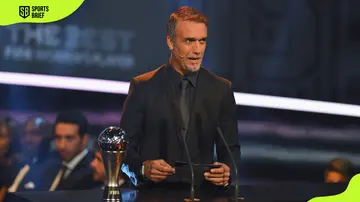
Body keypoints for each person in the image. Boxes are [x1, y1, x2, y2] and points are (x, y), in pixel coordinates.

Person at [120, 6, 241, 189]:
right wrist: (143, 168)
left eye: (202, 41)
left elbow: (231, 150)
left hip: (203, 194)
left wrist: (227, 171)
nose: (197, 50)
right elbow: (123, 150)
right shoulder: (143, 86)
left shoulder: (221, 89)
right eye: (189, 41)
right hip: (153, 195)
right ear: (170, 42)